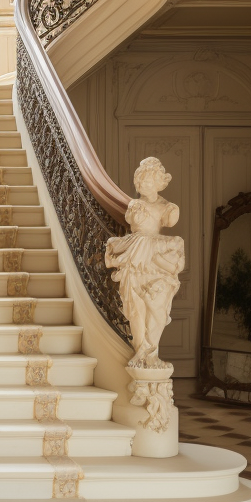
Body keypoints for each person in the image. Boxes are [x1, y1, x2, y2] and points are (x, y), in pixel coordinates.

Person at [105, 157, 186, 370]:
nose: (141, 185)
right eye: (139, 181)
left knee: (157, 309)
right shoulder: (134, 206)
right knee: (135, 308)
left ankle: (152, 353)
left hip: (155, 257)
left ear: (159, 182)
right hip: (135, 255)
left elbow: (165, 224)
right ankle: (141, 352)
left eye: (146, 181)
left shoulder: (169, 209)